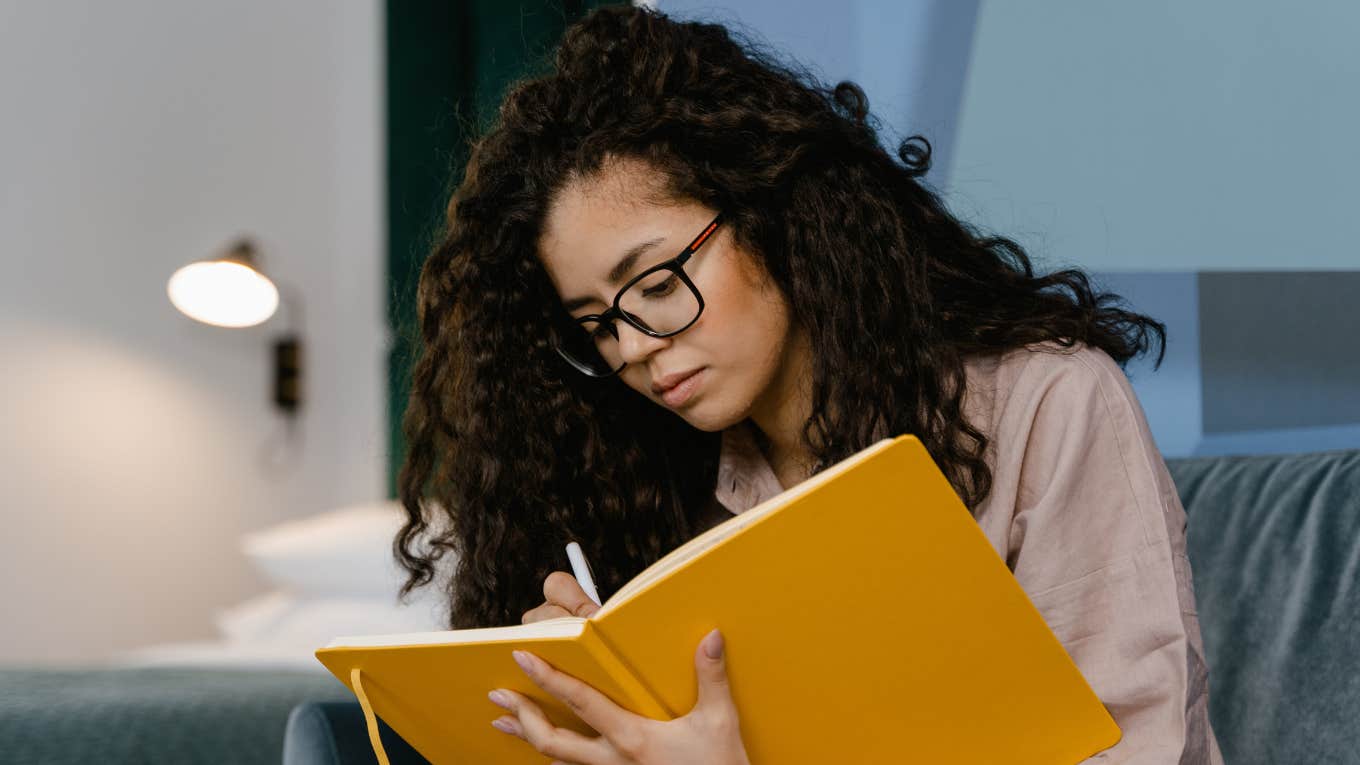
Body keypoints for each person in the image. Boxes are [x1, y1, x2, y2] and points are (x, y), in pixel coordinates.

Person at [392, 5, 1223, 763]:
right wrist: (591, 711)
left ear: (771, 210)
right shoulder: (647, 482)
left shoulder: (1050, 404)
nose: (636, 348)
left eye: (653, 286)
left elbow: (1135, 747)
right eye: (598, 325)